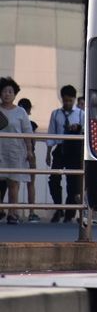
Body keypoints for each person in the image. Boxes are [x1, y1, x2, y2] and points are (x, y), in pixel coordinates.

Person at [0, 77, 35, 224]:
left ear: (15, 94)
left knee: (13, 183)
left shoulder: (21, 112)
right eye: (4, 91)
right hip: (0, 150)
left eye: (10, 91)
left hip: (15, 151)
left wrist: (29, 150)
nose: (7, 94)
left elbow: (27, 132)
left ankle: (12, 213)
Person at [47, 84, 84, 223]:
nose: (68, 103)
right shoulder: (56, 113)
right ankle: (58, 208)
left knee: (72, 183)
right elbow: (51, 133)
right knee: (54, 179)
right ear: (62, 99)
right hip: (60, 148)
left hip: (74, 150)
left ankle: (69, 213)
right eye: (65, 100)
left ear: (74, 99)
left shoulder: (81, 114)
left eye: (70, 100)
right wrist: (48, 152)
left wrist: (77, 128)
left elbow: (85, 132)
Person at [16, 98, 40, 222]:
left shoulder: (15, 120)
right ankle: (31, 212)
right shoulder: (32, 124)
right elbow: (33, 140)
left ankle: (13, 212)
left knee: (15, 183)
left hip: (18, 154)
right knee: (30, 184)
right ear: (30, 110)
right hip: (30, 155)